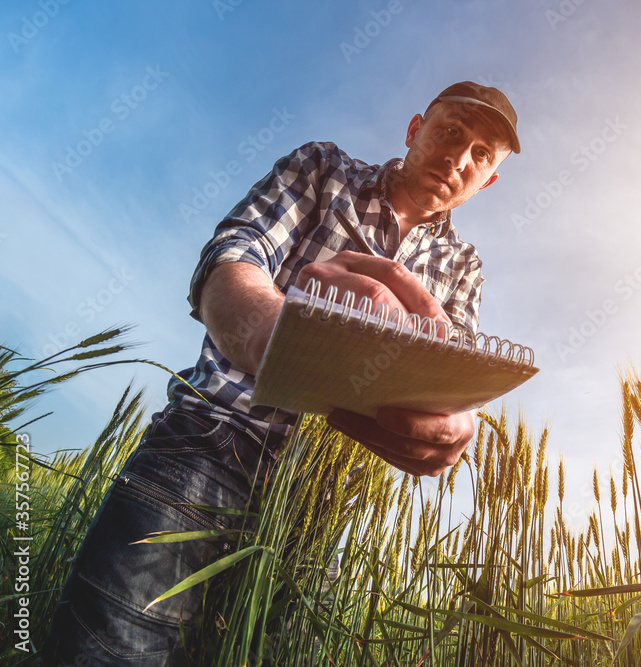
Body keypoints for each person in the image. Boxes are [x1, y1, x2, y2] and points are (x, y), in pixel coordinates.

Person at [42, 81, 520, 665]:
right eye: (449, 132)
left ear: (490, 179)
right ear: (415, 128)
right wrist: (276, 336)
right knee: (109, 653)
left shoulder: (464, 266)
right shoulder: (324, 169)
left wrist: (455, 425)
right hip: (214, 441)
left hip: (325, 505)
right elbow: (235, 253)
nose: (459, 158)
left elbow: (457, 372)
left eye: (481, 154)